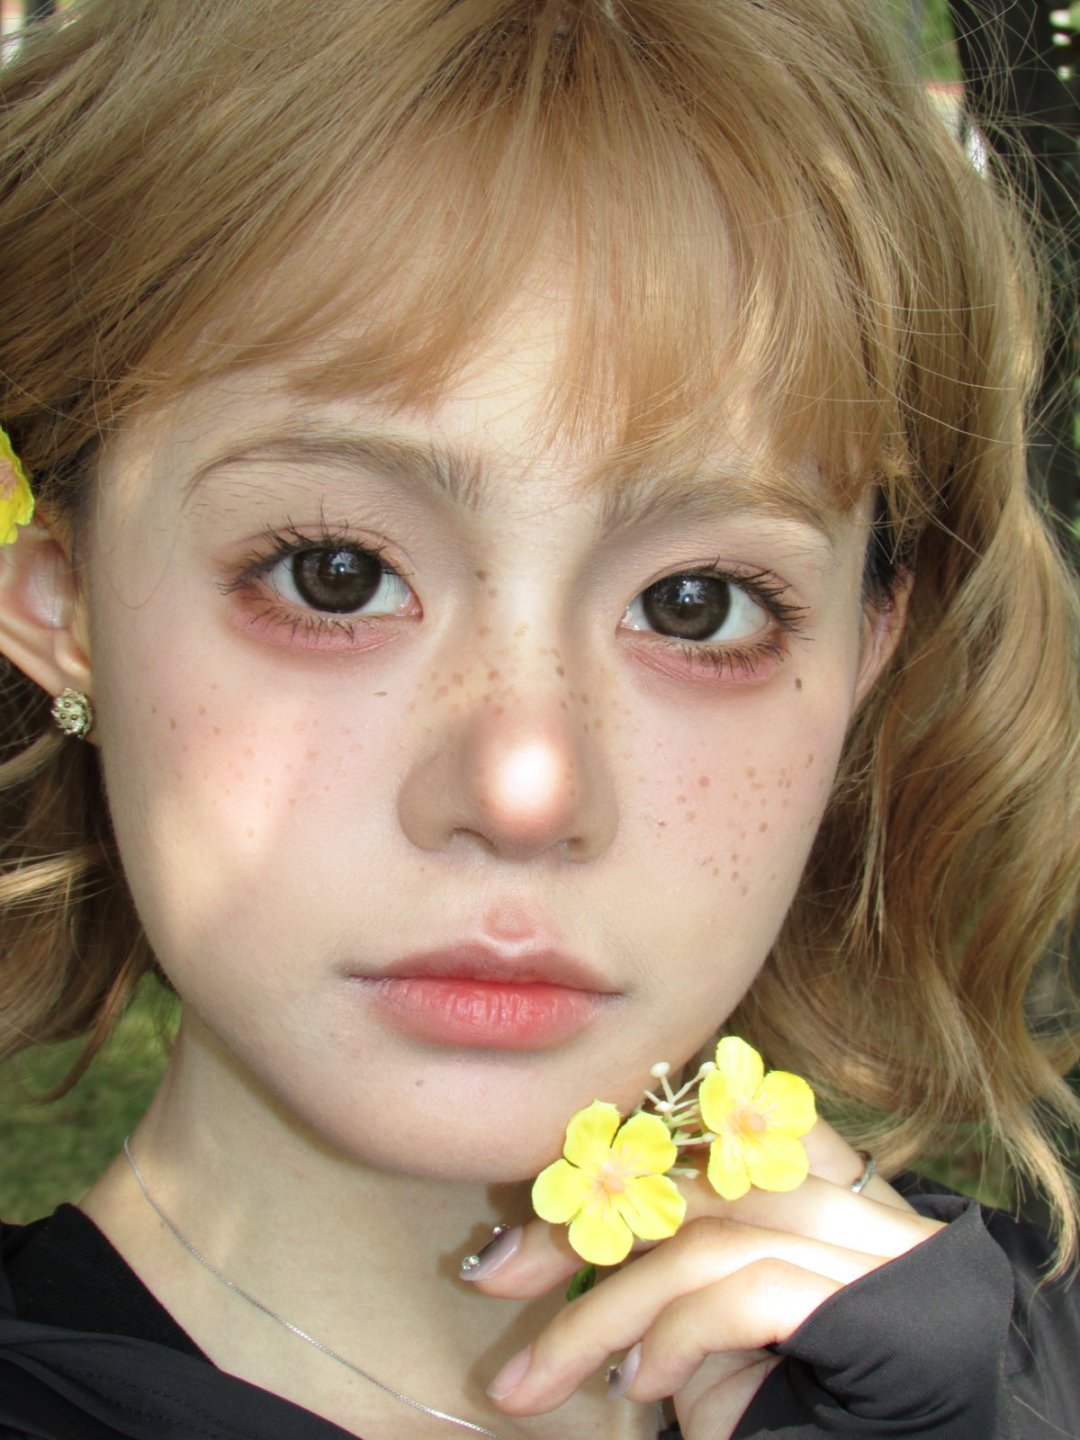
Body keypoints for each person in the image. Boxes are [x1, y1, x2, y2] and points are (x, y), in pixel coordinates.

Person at [0, 1, 1078, 1436]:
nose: (522, 785)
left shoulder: (1017, 1369)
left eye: (698, 604)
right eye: (336, 573)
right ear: (62, 598)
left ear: (867, 653)